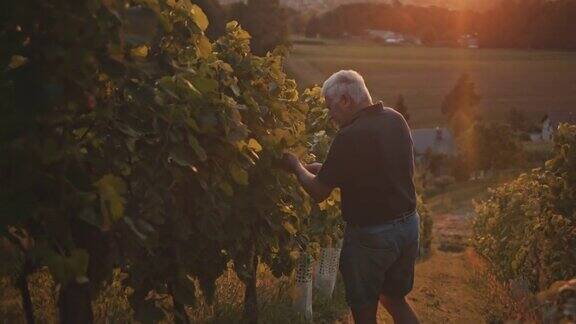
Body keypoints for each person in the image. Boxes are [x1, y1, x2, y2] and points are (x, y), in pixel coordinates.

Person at [283, 70, 420, 324]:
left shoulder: (349, 136)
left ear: (346, 100)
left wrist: (294, 165)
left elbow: (318, 192)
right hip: (408, 227)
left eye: (330, 106)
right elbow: (376, 168)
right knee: (393, 299)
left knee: (364, 309)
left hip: (372, 237)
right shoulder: (395, 119)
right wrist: (325, 169)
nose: (330, 114)